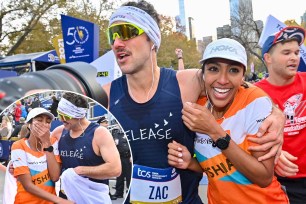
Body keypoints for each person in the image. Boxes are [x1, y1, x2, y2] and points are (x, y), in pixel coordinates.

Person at [102, 1, 284, 203]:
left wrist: (276, 113)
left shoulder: (187, 82)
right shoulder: (105, 96)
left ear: (152, 38)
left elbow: (232, 83)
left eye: (126, 32)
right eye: (113, 35)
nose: (117, 43)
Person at [168, 38, 289, 203]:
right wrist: (191, 162)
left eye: (233, 70)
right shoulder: (198, 106)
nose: (223, 79)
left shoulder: (254, 102)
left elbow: (263, 177)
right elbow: (215, 167)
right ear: (203, 73)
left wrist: (215, 132)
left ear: (242, 76)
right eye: (213, 69)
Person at [255, 26, 306, 203]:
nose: (294, 57)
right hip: (279, 182)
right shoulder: (254, 94)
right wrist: (273, 153)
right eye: (286, 52)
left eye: (297, 52)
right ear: (268, 58)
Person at [51, 92, 121, 203]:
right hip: (66, 196)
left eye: (65, 116)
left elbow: (115, 169)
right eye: (59, 114)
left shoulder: (99, 134)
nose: (61, 119)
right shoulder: (59, 132)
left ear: (79, 115)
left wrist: (81, 171)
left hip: (92, 196)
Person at [10, 107, 73, 204]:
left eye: (48, 122)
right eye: (39, 120)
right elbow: (27, 185)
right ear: (29, 125)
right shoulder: (18, 145)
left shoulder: (53, 142)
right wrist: (59, 200)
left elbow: (55, 177)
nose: (44, 124)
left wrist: (47, 143)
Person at [110, 128, 132, 200]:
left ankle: (130, 193)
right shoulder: (116, 133)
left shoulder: (130, 132)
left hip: (128, 158)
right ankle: (119, 193)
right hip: (119, 158)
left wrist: (132, 156)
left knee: (129, 177)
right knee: (119, 176)